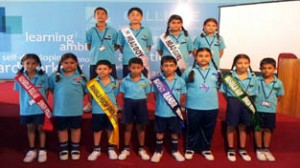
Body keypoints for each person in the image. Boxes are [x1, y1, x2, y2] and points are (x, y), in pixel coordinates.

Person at [181, 48, 220, 161]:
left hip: (211, 106)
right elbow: (183, 84)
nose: (203, 58)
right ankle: (190, 148)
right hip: (193, 105)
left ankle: (206, 149)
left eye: (206, 56)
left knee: (208, 128)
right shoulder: (189, 70)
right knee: (193, 127)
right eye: (200, 56)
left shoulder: (216, 71)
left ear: (211, 57)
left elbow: (218, 87)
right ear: (195, 57)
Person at [48, 53, 87, 161]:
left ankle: (75, 148)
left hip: (76, 110)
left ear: (76, 63)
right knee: (62, 129)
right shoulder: (54, 76)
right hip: (60, 110)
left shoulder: (82, 76)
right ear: (61, 63)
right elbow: (51, 89)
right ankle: (64, 148)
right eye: (66, 63)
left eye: (72, 62)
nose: (69, 65)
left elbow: (85, 91)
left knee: (76, 128)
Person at [220, 54, 258, 162]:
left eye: (246, 63)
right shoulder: (229, 77)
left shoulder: (253, 78)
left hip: (247, 104)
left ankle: (242, 148)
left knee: (243, 126)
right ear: (235, 64)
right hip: (233, 102)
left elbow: (255, 93)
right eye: (239, 63)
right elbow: (223, 92)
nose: (242, 65)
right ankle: (231, 149)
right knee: (231, 125)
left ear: (249, 64)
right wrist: (231, 101)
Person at [150, 56, 186, 163]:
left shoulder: (181, 81)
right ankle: (158, 151)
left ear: (175, 67)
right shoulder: (157, 81)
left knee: (174, 132)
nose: (168, 68)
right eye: (166, 65)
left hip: (174, 113)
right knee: (159, 132)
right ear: (161, 67)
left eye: (171, 65)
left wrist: (174, 105)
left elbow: (182, 96)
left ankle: (175, 151)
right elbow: (155, 95)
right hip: (161, 112)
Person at [14, 54, 48, 163]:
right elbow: (20, 93)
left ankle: (42, 150)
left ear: (38, 64)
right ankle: (32, 150)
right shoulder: (19, 78)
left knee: (41, 128)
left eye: (33, 63)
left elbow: (46, 91)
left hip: (40, 108)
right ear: (22, 64)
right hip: (26, 109)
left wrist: (43, 103)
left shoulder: (43, 76)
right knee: (30, 128)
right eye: (27, 63)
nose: (30, 65)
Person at [84, 7, 118, 112]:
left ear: (107, 17)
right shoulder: (90, 31)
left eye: (103, 14)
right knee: (93, 85)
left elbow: (116, 45)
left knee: (112, 84)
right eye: (98, 14)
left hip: (110, 62)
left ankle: (113, 103)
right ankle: (90, 104)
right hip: (95, 61)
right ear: (94, 17)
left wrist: (108, 51)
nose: (100, 16)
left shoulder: (113, 31)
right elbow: (89, 46)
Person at [118, 57, 151, 160]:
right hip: (128, 104)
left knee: (141, 127)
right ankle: (126, 148)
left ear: (142, 68)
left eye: (138, 67)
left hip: (141, 104)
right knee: (128, 127)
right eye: (133, 67)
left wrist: (139, 101)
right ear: (129, 68)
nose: (136, 70)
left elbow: (148, 95)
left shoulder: (145, 81)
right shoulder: (124, 81)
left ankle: (141, 148)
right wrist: (130, 101)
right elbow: (123, 96)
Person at [87, 60, 119, 161]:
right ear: (96, 70)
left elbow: (116, 94)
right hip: (97, 110)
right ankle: (96, 149)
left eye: (105, 69)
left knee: (110, 129)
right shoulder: (92, 83)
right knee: (97, 130)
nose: (102, 71)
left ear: (110, 70)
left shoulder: (115, 82)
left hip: (111, 110)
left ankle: (111, 148)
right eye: (99, 69)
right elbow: (90, 97)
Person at [254, 58, 284, 161]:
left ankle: (266, 149)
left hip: (270, 111)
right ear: (260, 69)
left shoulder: (278, 83)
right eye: (264, 68)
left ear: (275, 69)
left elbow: (279, 96)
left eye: (269, 68)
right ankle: (259, 149)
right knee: (258, 129)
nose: (266, 70)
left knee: (268, 129)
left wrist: (272, 105)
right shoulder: (256, 80)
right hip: (257, 110)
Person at [117, 7, 153, 78]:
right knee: (127, 83)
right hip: (127, 61)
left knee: (143, 84)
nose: (135, 17)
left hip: (142, 62)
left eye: (137, 15)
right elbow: (121, 47)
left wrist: (141, 54)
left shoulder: (147, 30)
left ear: (141, 17)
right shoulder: (123, 31)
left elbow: (149, 46)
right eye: (132, 15)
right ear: (128, 17)